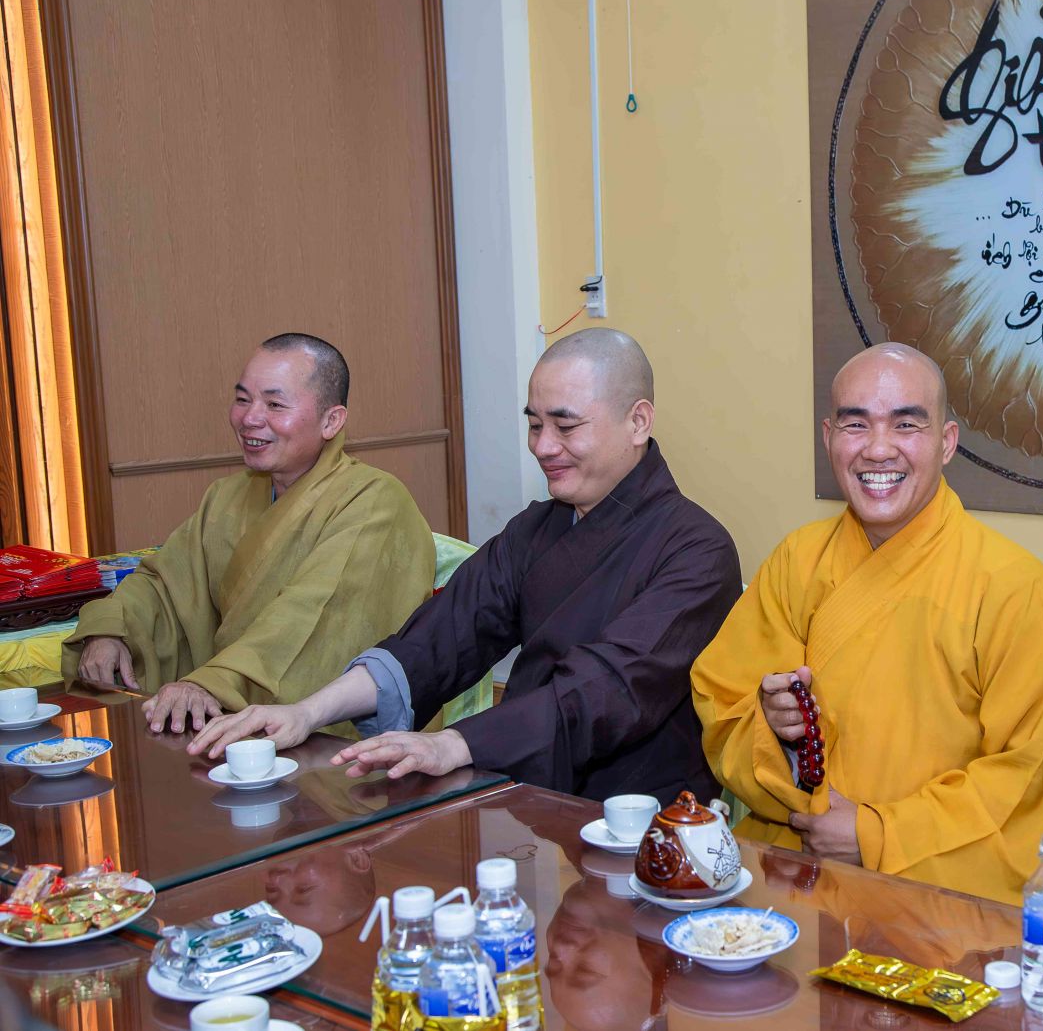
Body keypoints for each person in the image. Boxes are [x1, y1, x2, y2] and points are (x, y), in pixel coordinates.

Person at [191, 328, 741, 805]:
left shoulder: (698, 550)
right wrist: (307, 713)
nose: (543, 447)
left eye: (566, 426)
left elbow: (606, 690)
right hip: (525, 785)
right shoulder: (535, 530)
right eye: (534, 425)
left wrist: (456, 743)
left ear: (637, 421)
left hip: (640, 813)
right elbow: (440, 637)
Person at [692, 342, 1043, 906]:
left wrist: (875, 835)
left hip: (930, 900)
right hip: (793, 880)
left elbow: (1029, 782)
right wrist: (776, 734)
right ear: (828, 436)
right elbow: (723, 704)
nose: (878, 449)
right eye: (855, 424)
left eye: (906, 424)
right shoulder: (796, 562)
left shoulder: (1014, 587)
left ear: (946, 442)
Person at [62, 333, 434, 736]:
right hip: (227, 719)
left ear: (331, 421)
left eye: (274, 404)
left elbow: (309, 621)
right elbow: (164, 584)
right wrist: (112, 629)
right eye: (242, 399)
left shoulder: (375, 501)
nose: (250, 418)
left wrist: (211, 683)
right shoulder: (227, 497)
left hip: (324, 739)